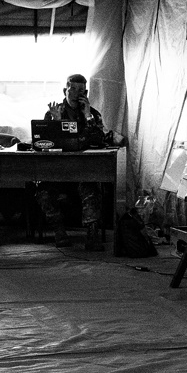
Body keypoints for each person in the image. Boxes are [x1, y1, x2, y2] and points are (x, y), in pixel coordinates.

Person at [36, 73, 123, 250]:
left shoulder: (92, 114)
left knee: (91, 188)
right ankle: (59, 231)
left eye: (81, 90)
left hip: (84, 169)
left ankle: (92, 233)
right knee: (43, 191)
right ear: (65, 90)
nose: (76, 93)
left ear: (86, 93)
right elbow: (44, 143)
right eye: (73, 89)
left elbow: (99, 139)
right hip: (58, 171)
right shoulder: (53, 113)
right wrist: (57, 123)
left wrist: (88, 115)